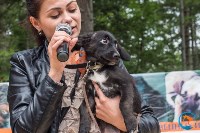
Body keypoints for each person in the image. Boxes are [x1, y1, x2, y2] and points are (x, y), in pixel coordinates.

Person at [7, 0, 161, 133]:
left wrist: (121, 120)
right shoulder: (24, 63)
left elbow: (152, 123)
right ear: (36, 23)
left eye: (72, 9)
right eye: (55, 15)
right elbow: (22, 129)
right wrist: (54, 73)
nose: (68, 18)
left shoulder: (104, 56)